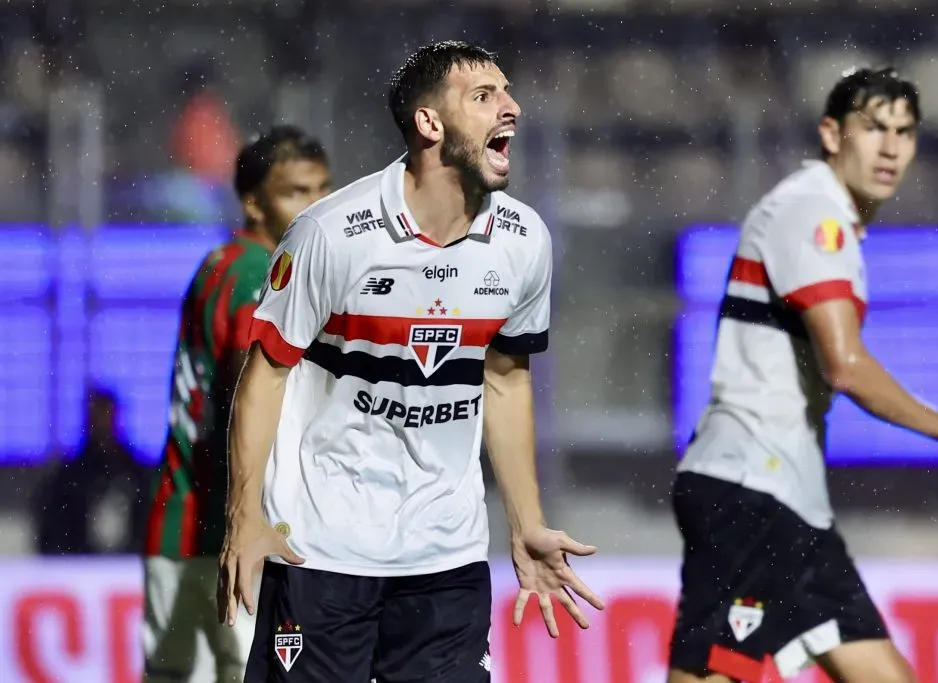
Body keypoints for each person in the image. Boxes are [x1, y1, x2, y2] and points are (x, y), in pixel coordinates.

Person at [217, 41, 604, 683]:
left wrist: (526, 523)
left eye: (506, 92)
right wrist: (245, 517)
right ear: (430, 124)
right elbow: (265, 376)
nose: (511, 108)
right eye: (483, 97)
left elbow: (505, 380)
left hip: (445, 556)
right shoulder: (331, 234)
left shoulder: (523, 241)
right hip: (324, 551)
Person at [668, 67, 938, 683]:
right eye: (873, 128)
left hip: (789, 499)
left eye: (904, 131)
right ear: (831, 133)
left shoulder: (828, 217)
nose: (891, 147)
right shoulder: (812, 214)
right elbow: (845, 367)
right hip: (751, 490)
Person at [143, 126, 333, 683]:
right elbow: (246, 394)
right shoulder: (260, 275)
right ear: (254, 202)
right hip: (232, 534)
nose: (316, 205)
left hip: (178, 524)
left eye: (323, 188)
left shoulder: (217, 264)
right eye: (296, 191)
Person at [34, 388, 149, 555]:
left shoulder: (138, 475)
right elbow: (53, 535)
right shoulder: (67, 479)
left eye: (106, 414)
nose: (102, 422)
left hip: (131, 568)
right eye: (97, 415)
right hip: (80, 570)